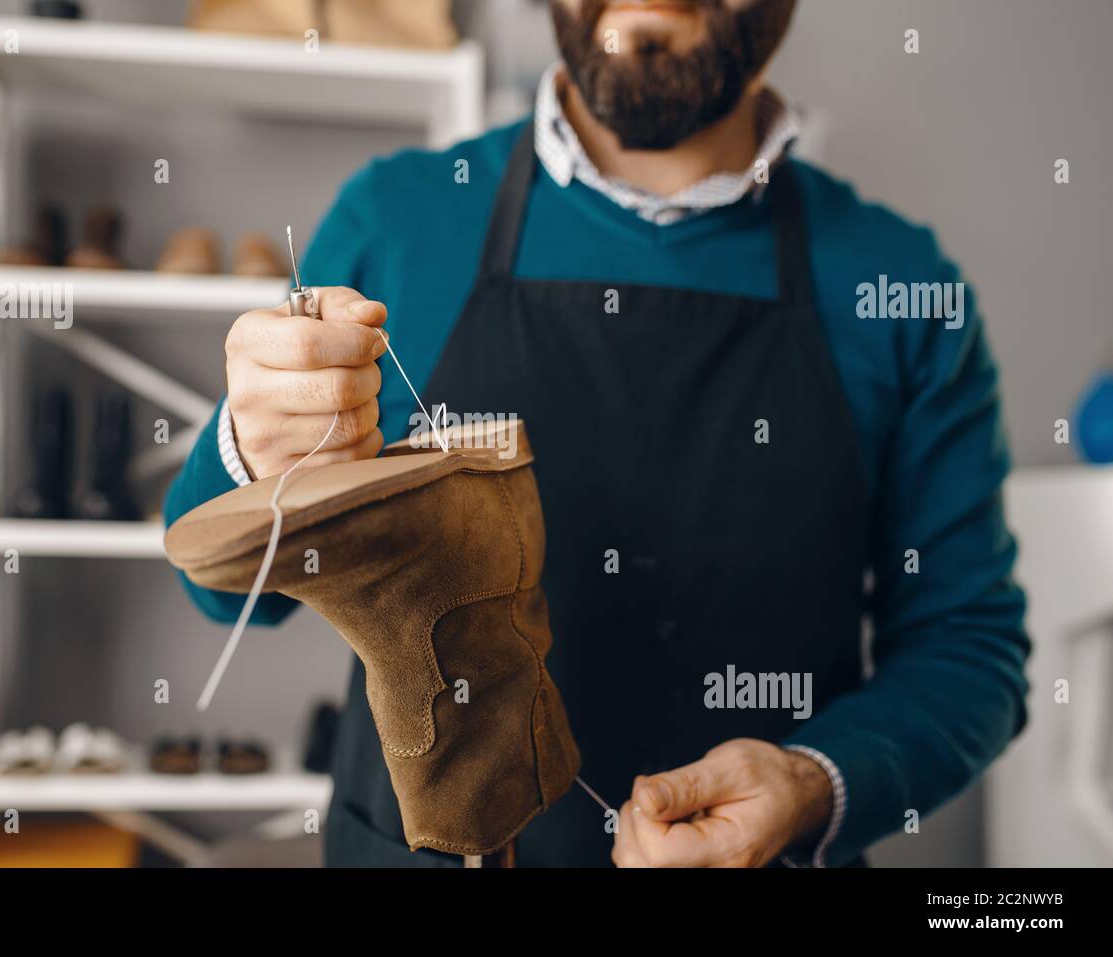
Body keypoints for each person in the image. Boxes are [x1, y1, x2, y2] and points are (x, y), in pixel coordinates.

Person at [165, 0, 1029, 867]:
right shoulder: (396, 218)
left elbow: (971, 645)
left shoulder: (900, 287)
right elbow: (227, 596)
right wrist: (255, 451)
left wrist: (815, 782)